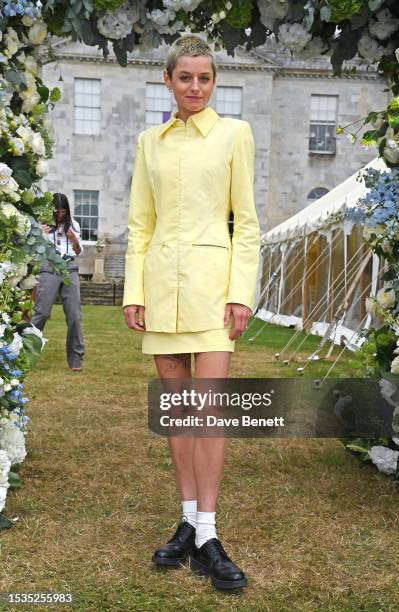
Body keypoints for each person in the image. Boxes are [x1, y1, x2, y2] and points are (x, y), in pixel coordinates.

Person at [123, 35, 260, 591]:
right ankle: (186, 522)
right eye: (186, 78)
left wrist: (241, 294)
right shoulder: (148, 143)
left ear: (214, 81)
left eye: (205, 78)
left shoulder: (234, 135)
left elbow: (246, 222)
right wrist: (135, 290)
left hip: (212, 294)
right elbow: (140, 224)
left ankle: (208, 531)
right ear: (168, 80)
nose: (196, 87)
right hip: (160, 291)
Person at [32, 193, 85, 372]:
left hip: (69, 266)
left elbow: (78, 252)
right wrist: (41, 235)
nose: (60, 215)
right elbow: (34, 249)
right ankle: (25, 351)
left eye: (63, 211)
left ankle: (76, 358)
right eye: (57, 211)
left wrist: (74, 239)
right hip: (49, 266)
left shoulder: (74, 225)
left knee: (75, 315)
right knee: (42, 312)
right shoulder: (43, 224)